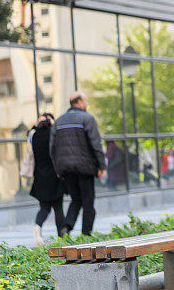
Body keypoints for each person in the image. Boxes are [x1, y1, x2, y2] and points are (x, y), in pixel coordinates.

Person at [49, 92, 106, 236]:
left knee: (76, 199)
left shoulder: (59, 121)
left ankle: (66, 228)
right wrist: (102, 166)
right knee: (88, 201)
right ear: (79, 102)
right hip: (84, 167)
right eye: (85, 101)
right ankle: (86, 234)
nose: (86, 104)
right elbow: (96, 144)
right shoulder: (87, 118)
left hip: (66, 169)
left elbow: (52, 148)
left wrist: (58, 168)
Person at [30, 113, 66, 245]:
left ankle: (37, 227)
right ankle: (62, 237)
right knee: (58, 208)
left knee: (44, 207)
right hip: (54, 176)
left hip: (40, 176)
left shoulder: (35, 136)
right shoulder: (52, 134)